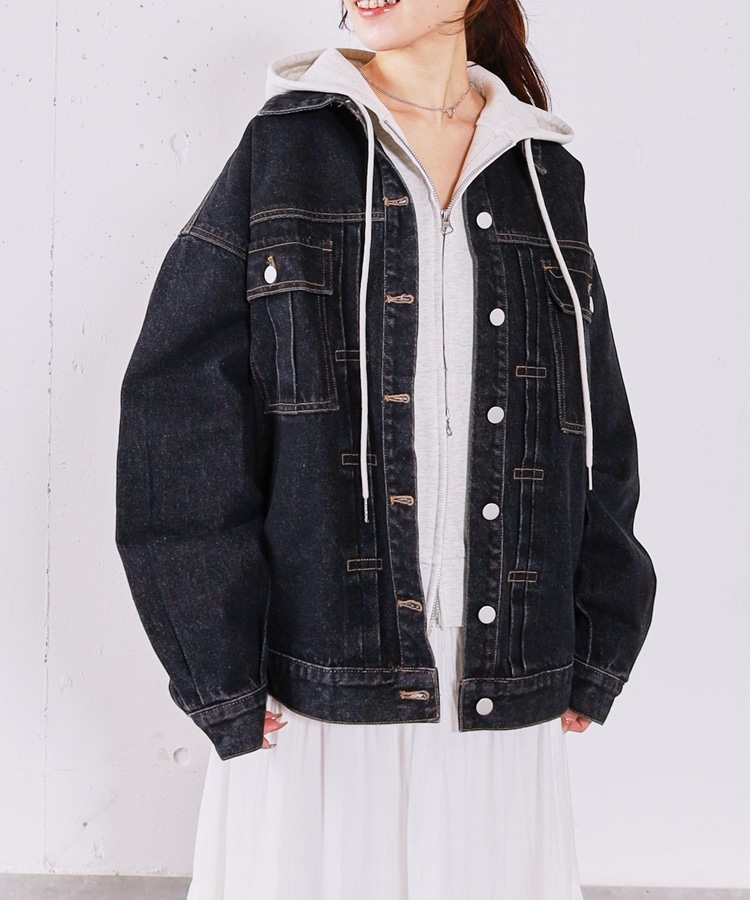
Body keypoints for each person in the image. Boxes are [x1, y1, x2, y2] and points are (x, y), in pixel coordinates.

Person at [116, 0, 656, 897]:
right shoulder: (284, 149)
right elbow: (178, 408)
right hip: (318, 681)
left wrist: (602, 631)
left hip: (499, 681)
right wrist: (216, 660)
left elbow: (594, 418)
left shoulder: (544, 172)